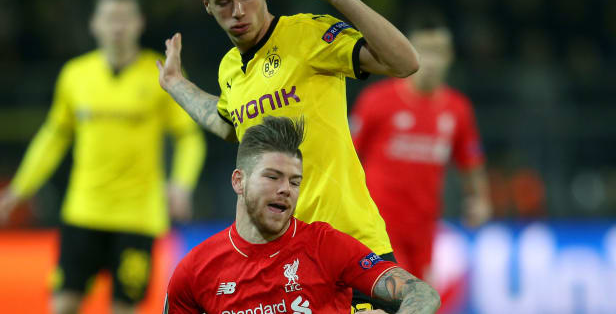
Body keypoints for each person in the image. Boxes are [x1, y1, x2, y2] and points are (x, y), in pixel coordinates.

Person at [156, 0, 419, 311]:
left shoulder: (308, 35)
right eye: (224, 3)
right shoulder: (229, 68)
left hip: (351, 249)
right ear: (207, 6)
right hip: (285, 266)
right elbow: (229, 126)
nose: (238, 11)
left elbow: (404, 63)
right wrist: (177, 86)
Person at [0, 0, 207, 314]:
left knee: (123, 309)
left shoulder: (161, 75)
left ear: (139, 23)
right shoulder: (75, 75)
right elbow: (54, 136)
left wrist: (182, 183)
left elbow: (189, 136)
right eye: (110, 18)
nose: (117, 27)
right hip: (84, 211)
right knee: (63, 305)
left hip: (137, 217)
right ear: (94, 23)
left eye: (125, 18)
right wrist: (21, 188)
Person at [164, 116, 440, 314]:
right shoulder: (195, 271)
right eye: (273, 177)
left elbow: (422, 294)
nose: (285, 189)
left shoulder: (327, 246)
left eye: (294, 182)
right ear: (239, 181)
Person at [350, 24, 491, 281]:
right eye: (425, 51)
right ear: (410, 52)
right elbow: (347, 154)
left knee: (421, 300)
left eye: (439, 52)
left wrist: (479, 199)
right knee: (399, 297)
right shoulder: (376, 100)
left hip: (425, 226)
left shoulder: (457, 109)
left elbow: (470, 160)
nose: (432, 61)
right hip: (379, 225)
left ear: (449, 57)